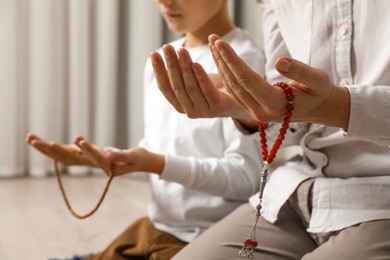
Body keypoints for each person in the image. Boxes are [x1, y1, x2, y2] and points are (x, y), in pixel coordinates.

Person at [150, 0, 390, 259]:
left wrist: (335, 106)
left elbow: (242, 174)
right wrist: (250, 110)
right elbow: (286, 114)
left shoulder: (244, 49)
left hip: (381, 201)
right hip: (295, 190)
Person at [26, 0, 266, 259]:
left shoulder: (243, 61)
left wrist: (154, 163)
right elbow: (155, 153)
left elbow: (246, 179)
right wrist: (108, 159)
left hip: (207, 238)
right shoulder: (163, 59)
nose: (164, 1)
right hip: (156, 228)